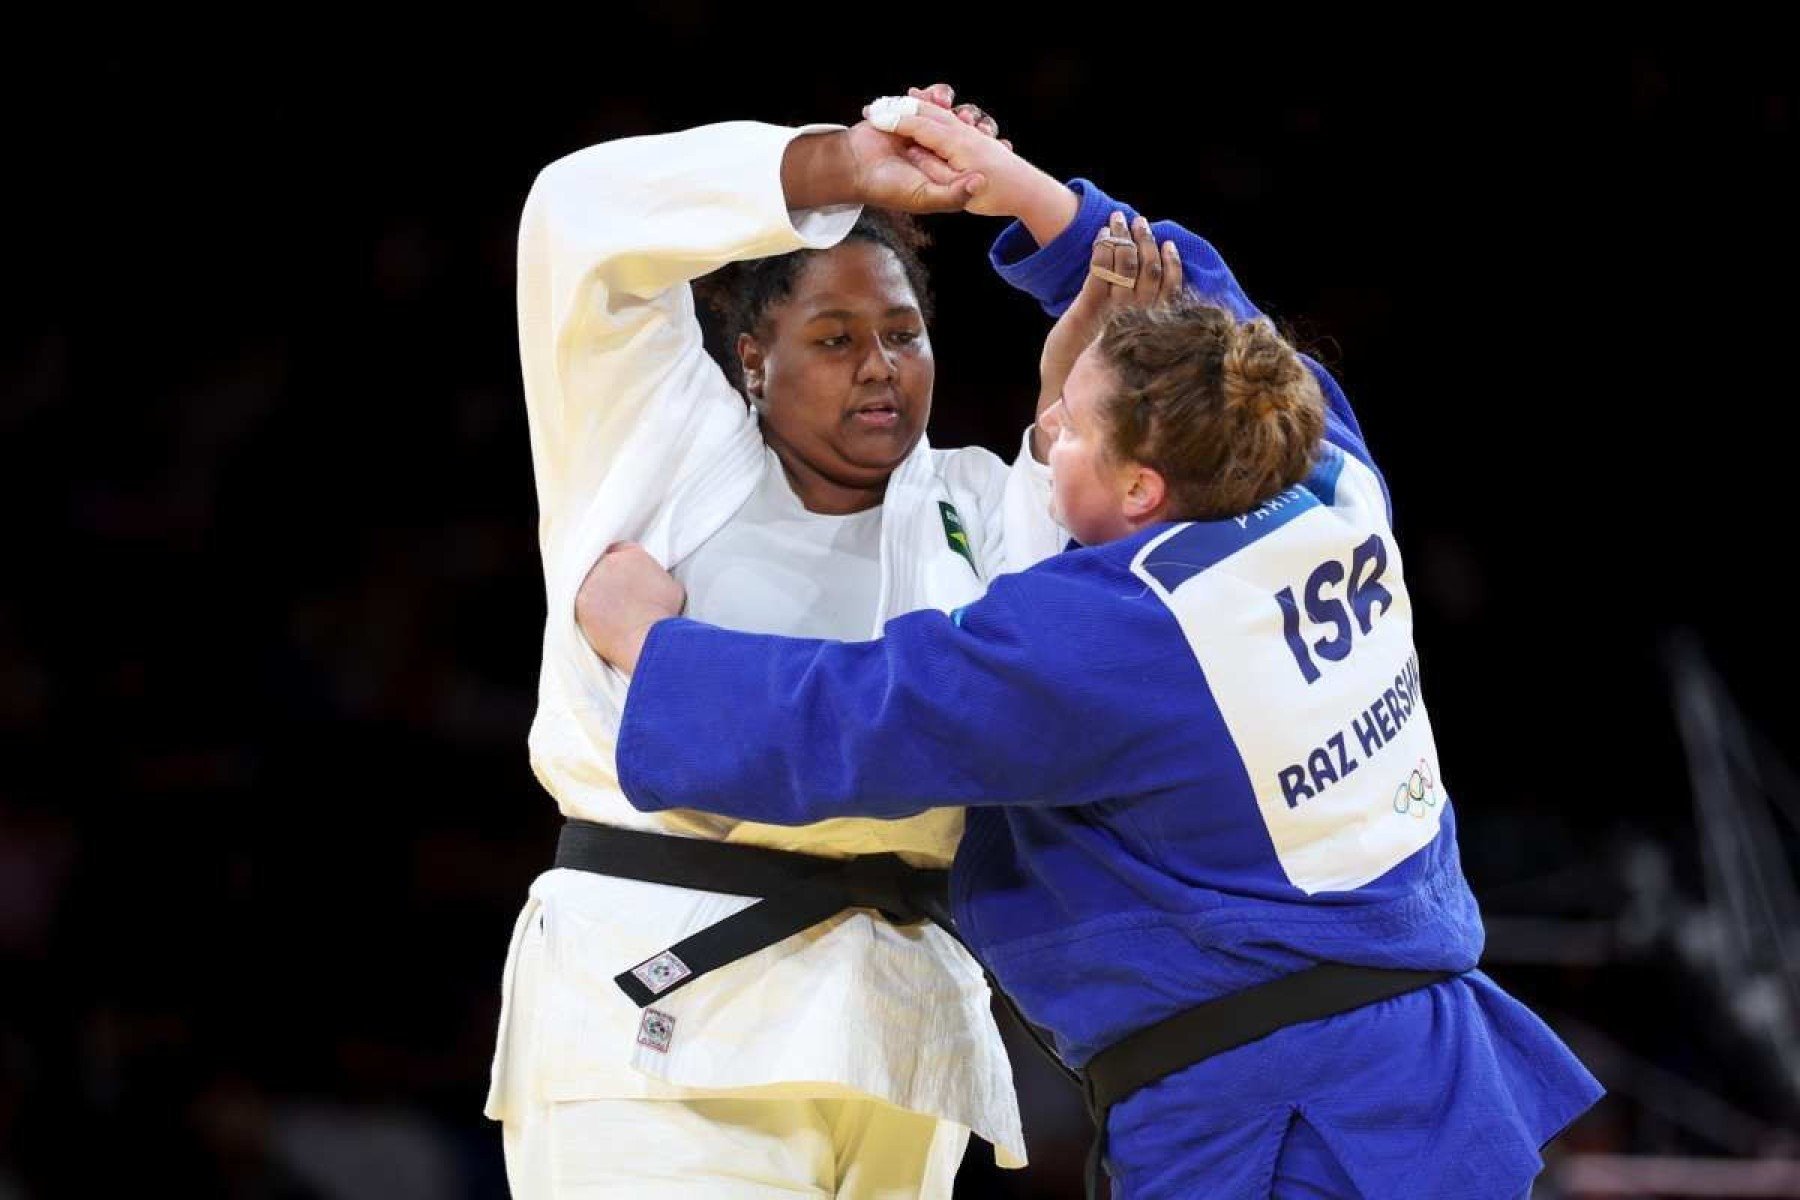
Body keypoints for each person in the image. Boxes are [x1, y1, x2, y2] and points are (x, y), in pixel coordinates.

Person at [577, 103, 1605, 1199]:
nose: (1048, 421)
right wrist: (1016, 187)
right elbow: (1212, 319)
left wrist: (650, 642)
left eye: (1071, 420)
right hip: (1419, 1076)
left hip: (1283, 1123)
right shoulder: (1321, 476)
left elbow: (860, 713)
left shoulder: (1126, 631)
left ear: (1139, 490)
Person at [485, 85, 1126, 1198]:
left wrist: (1080, 424)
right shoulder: (660, 458)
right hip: (663, 1006)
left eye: (902, 335)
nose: (879, 365)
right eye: (833, 339)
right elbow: (575, 221)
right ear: (748, 358)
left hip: (900, 1033)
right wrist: (839, 168)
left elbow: (1057, 706)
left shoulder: (985, 501)